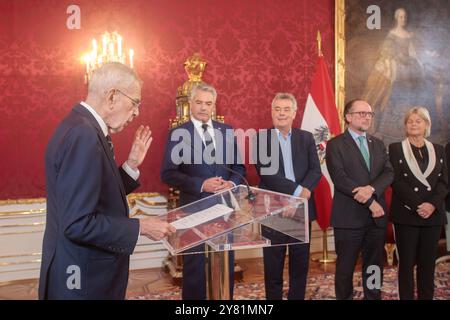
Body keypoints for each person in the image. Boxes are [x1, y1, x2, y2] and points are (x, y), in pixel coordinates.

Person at [39, 62, 175, 300]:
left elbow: (96, 197)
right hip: (83, 279)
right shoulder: (84, 135)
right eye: (135, 103)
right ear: (112, 96)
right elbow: (78, 223)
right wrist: (142, 226)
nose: (136, 113)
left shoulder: (81, 126)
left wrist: (131, 165)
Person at [160, 82, 246, 300]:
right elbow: (168, 173)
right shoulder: (178, 133)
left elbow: (239, 168)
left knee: (224, 263)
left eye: (208, 103)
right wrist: (201, 184)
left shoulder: (226, 131)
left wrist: (232, 184)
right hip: (193, 209)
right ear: (190, 103)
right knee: (194, 268)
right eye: (199, 102)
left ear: (214, 105)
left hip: (224, 208)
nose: (203, 108)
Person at [255, 93, 321, 300]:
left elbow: (315, 171)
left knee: (300, 266)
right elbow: (267, 172)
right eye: (277, 109)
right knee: (273, 267)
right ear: (271, 111)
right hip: (273, 208)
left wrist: (299, 198)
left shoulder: (306, 137)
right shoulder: (261, 139)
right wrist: (296, 193)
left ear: (294, 113)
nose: (281, 113)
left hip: (301, 208)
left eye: (286, 109)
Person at [325, 99, 394, 300]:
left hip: (376, 219)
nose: (366, 117)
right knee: (345, 267)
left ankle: (373, 297)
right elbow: (340, 179)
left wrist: (371, 189)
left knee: (374, 265)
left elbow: (389, 173)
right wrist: (370, 202)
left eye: (369, 114)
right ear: (348, 117)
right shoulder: (335, 144)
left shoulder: (378, 144)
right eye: (361, 113)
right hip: (349, 217)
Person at [388, 107, 448, 300]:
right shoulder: (396, 148)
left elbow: (444, 182)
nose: (413, 124)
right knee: (406, 264)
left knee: (428, 264)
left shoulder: (438, 149)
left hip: (432, 215)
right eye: (410, 121)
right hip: (407, 214)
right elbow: (396, 181)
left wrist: (431, 205)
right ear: (406, 125)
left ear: (426, 125)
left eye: (418, 121)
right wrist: (418, 205)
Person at [363, 8, 425, 145]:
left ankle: (407, 126)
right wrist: (392, 62)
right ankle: (386, 128)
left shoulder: (408, 35)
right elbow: (386, 51)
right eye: (401, 17)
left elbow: (412, 52)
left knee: (410, 95)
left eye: (404, 17)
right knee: (391, 95)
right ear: (396, 18)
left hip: (408, 68)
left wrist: (419, 63)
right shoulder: (392, 34)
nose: (403, 19)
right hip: (396, 67)